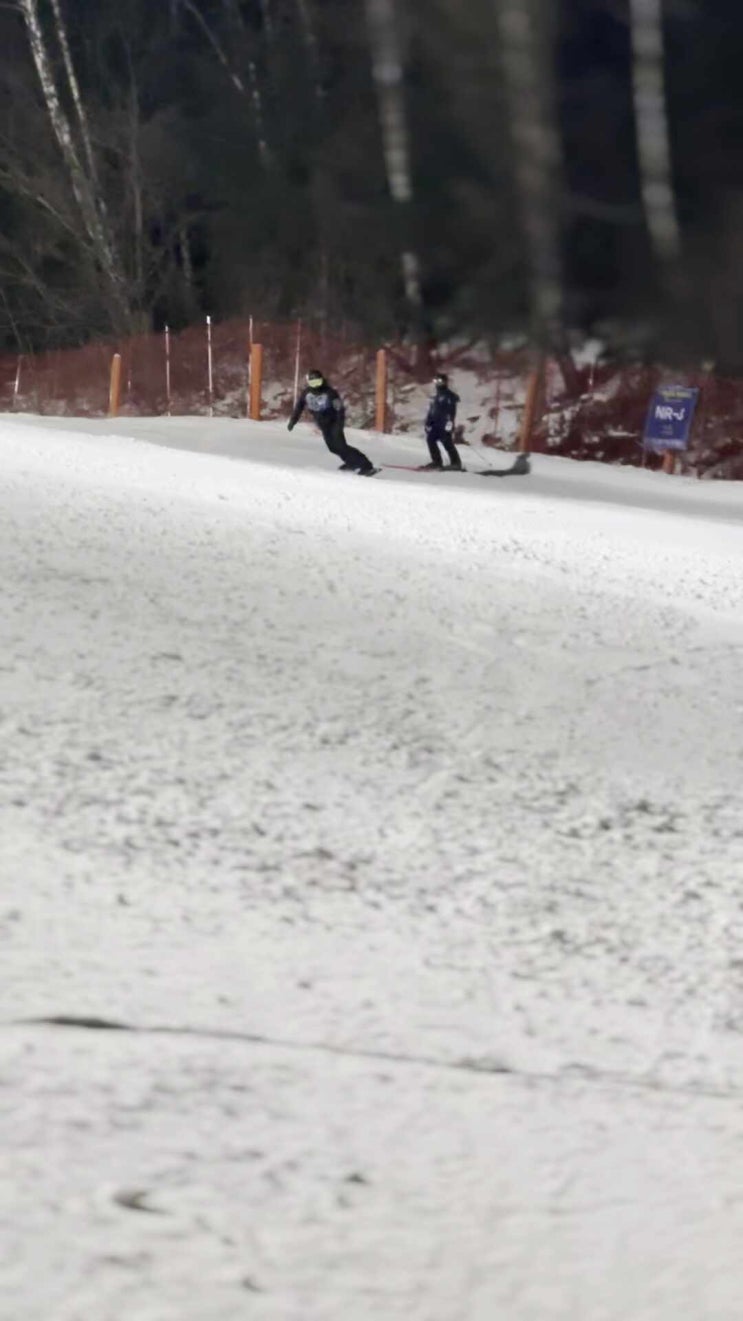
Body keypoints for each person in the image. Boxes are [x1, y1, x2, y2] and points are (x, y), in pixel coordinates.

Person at [288, 369, 377, 475]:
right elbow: (299, 407)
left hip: (334, 422)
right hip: (323, 424)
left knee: (341, 446)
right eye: (313, 383)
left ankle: (366, 466)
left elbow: (339, 409)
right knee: (333, 448)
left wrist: (339, 425)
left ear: (322, 380)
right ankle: (350, 462)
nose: (316, 386)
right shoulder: (306, 393)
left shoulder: (330, 393)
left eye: (318, 382)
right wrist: (293, 421)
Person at [422, 372, 463, 470]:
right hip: (435, 424)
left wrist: (449, 423)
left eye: (439, 381)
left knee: (446, 442)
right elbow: (432, 411)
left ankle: (456, 463)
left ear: (445, 382)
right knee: (430, 440)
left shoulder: (448, 396)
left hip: (444, 424)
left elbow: (450, 411)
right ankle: (437, 462)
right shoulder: (436, 396)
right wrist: (428, 423)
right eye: (435, 381)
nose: (437, 383)